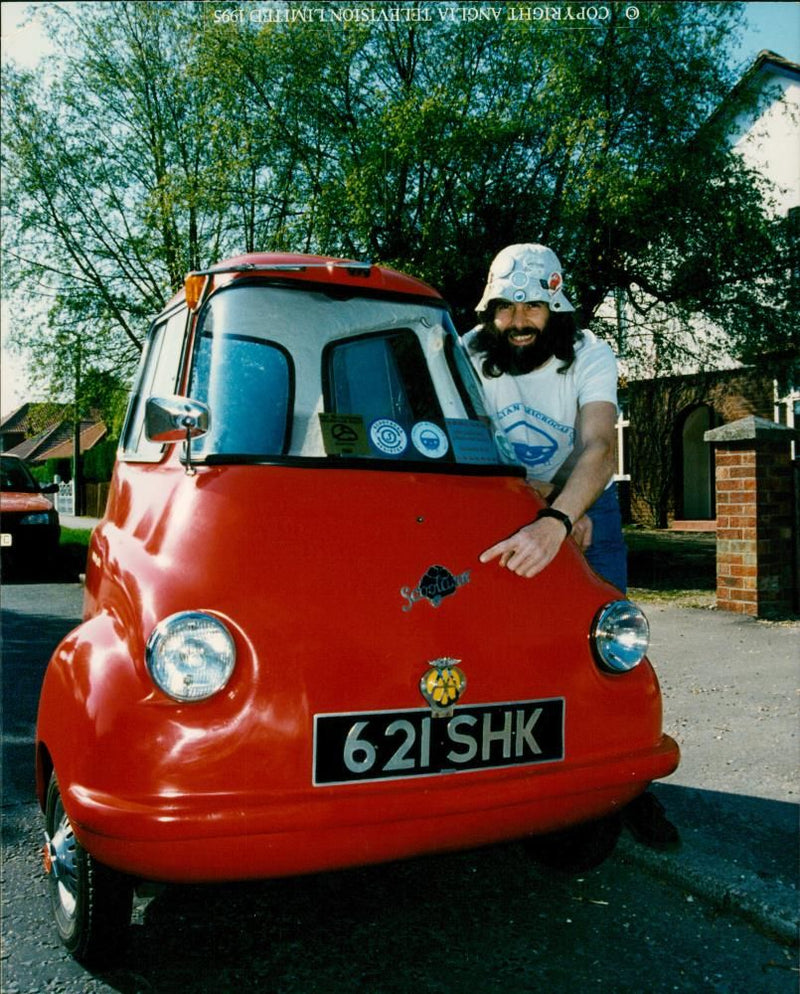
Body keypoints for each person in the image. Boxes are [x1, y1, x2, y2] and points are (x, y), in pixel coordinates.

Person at [466, 243, 679, 851]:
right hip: (505, 502)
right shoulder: (468, 353)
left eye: (532, 306)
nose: (517, 321)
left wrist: (564, 514)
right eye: (504, 307)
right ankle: (511, 780)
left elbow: (598, 448)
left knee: (608, 643)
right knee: (500, 638)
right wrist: (544, 506)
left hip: (585, 505)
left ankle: (628, 782)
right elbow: (459, 439)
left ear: (555, 309)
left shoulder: (590, 354)